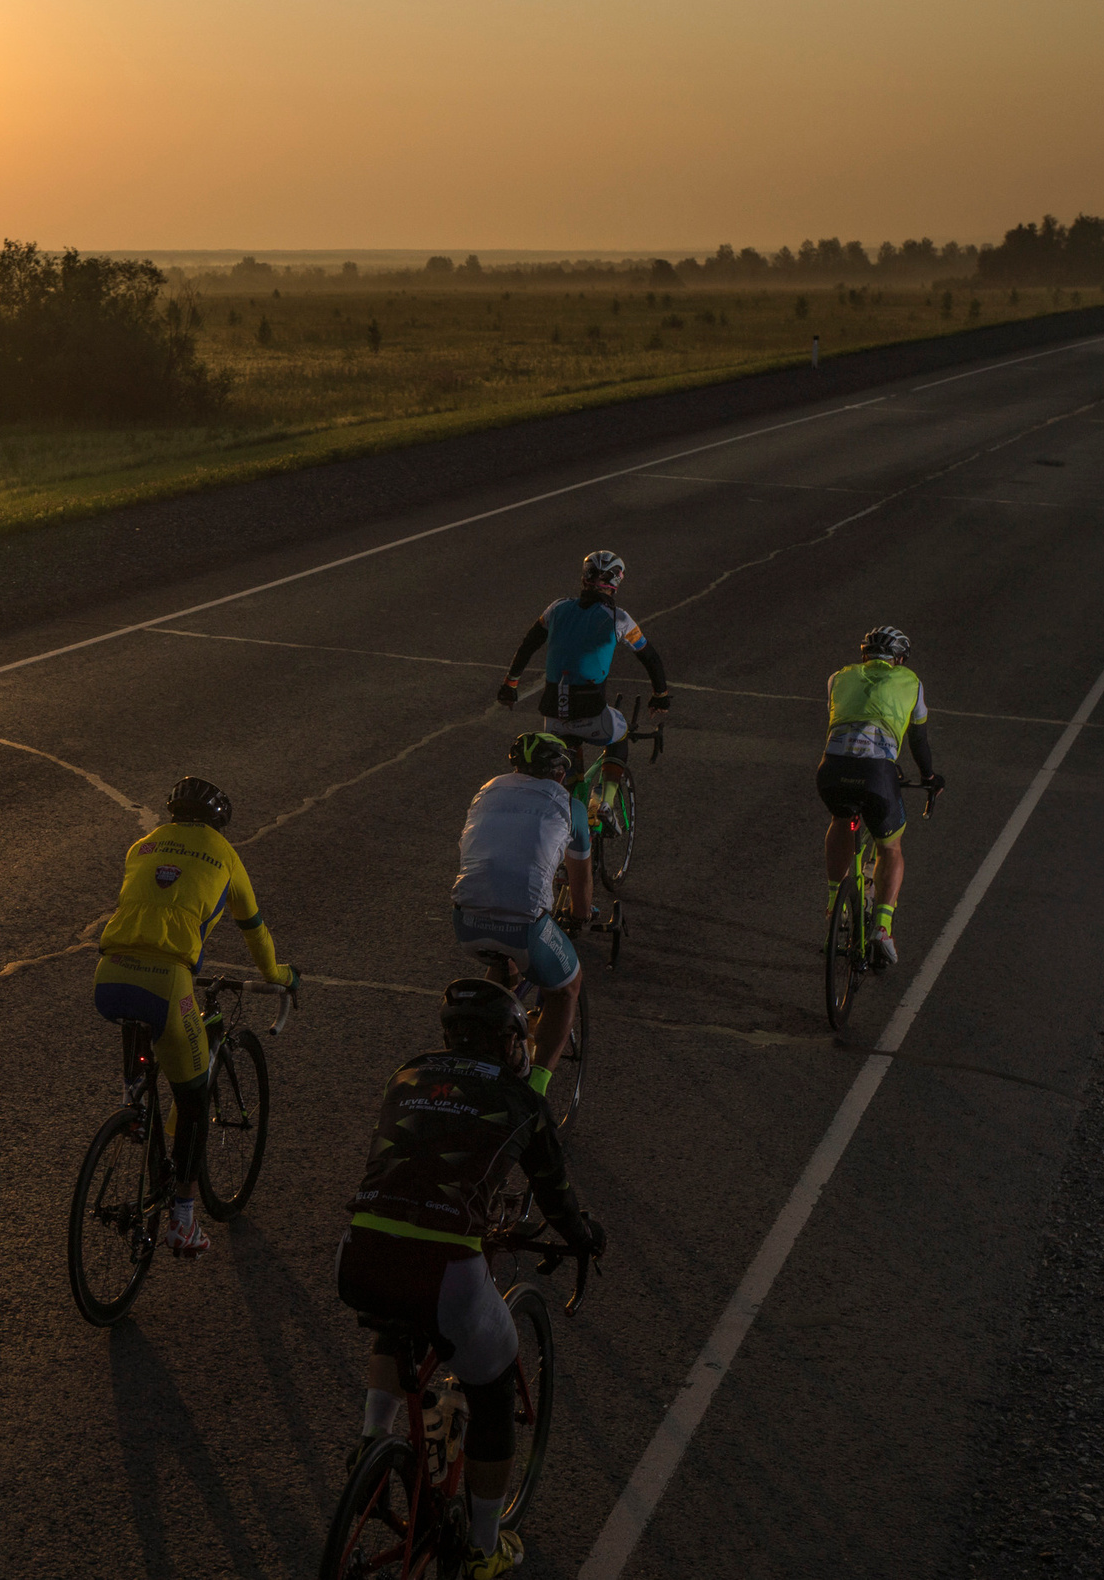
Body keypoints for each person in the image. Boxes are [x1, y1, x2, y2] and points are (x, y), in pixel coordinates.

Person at [336, 978, 604, 1580]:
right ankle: (484, 1547)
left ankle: (372, 1446)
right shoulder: (521, 1100)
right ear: (511, 1043)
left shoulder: (407, 1074)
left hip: (358, 1252)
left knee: (395, 1319)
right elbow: (555, 1197)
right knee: (493, 1383)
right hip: (444, 1271)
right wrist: (582, 1236)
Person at [94, 775, 299, 1257]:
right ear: (218, 822)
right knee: (192, 1098)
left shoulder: (141, 846)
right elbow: (253, 928)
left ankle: (135, 1110)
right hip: (167, 981)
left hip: (109, 973)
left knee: (146, 1070)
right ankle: (183, 1221)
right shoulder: (224, 854)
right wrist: (280, 975)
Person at [496, 549, 671, 922]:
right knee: (619, 734)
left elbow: (528, 643)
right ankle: (605, 801)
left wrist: (510, 684)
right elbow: (650, 657)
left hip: (553, 716)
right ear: (617, 583)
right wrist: (661, 695)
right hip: (592, 714)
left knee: (567, 784)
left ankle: (564, 851)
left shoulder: (556, 608)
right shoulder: (619, 618)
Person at [452, 734, 589, 1097]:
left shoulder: (488, 790)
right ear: (559, 774)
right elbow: (581, 883)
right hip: (524, 925)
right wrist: (579, 915)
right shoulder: (570, 805)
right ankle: (537, 1092)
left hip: (465, 919)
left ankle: (487, 1043)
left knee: (503, 964)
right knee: (567, 988)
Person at [818, 625, 945, 969]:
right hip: (876, 774)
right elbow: (918, 742)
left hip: (831, 768)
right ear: (899, 659)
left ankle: (835, 905)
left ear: (864, 655)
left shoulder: (838, 678)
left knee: (840, 819)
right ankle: (883, 928)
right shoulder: (912, 682)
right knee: (890, 848)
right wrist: (929, 778)